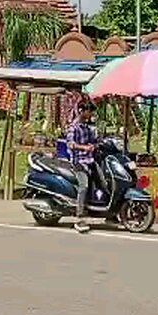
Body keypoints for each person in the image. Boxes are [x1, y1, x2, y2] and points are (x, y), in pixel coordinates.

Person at [65, 99, 99, 233]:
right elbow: (70, 144)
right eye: (89, 111)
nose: (91, 114)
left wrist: (94, 145)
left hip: (90, 160)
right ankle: (79, 217)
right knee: (83, 186)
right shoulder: (73, 127)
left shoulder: (87, 127)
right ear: (81, 111)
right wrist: (83, 147)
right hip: (78, 161)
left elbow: (94, 141)